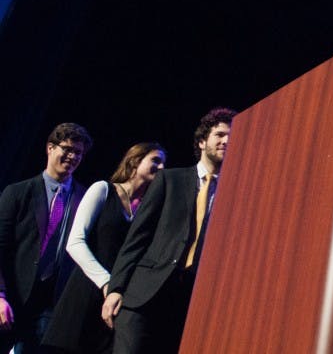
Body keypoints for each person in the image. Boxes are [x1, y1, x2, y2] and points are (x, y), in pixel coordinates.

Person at [101, 107, 235, 354]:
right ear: (202, 141)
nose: (226, 140)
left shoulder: (233, 193)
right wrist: (116, 288)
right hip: (143, 295)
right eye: (219, 134)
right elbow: (137, 238)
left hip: (186, 303)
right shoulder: (170, 180)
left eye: (231, 136)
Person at [41, 142, 166, 354]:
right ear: (135, 160)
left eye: (163, 163)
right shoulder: (104, 190)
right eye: (156, 160)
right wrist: (106, 282)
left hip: (116, 302)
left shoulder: (148, 209)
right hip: (86, 291)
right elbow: (75, 242)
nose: (162, 167)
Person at [0, 123, 92, 354]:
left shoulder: (84, 198)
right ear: (50, 148)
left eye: (78, 153)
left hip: (50, 302)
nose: (72, 156)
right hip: (12, 294)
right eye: (67, 149)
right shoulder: (18, 192)